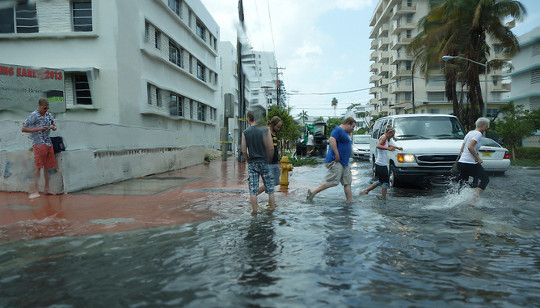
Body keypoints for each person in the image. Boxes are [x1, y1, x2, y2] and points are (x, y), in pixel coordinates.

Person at [306, 117, 356, 202]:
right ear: (348, 124)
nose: (353, 129)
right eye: (352, 126)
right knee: (333, 181)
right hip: (336, 160)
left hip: (344, 162)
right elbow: (332, 140)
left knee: (347, 182)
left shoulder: (345, 133)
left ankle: (349, 202)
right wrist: (337, 154)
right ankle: (313, 192)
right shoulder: (338, 130)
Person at [21, 98, 57, 199]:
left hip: (48, 142)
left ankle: (47, 189)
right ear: (39, 106)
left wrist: (53, 127)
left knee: (47, 167)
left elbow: (54, 124)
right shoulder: (33, 115)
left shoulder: (48, 114)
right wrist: (38, 129)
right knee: (38, 166)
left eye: (47, 108)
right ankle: (34, 190)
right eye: (44, 108)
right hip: (38, 143)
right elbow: (23, 128)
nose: (46, 110)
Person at [242, 111, 275, 215]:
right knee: (270, 188)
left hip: (252, 162)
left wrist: (248, 161)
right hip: (264, 161)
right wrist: (268, 160)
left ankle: (254, 212)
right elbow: (270, 148)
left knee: (253, 189)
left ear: (249, 119)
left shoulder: (245, 132)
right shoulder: (265, 130)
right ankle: (272, 211)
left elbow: (243, 151)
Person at [360, 125, 402, 200]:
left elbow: (386, 144)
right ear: (389, 133)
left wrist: (396, 147)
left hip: (380, 163)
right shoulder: (384, 137)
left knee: (380, 181)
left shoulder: (385, 138)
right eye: (392, 135)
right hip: (381, 163)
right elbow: (378, 146)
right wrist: (388, 149)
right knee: (386, 182)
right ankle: (383, 198)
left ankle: (366, 191)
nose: (392, 137)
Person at [456, 117, 490, 204]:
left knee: (463, 183)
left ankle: (457, 199)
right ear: (482, 125)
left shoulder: (469, 133)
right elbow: (470, 147)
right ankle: (474, 200)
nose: (487, 128)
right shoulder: (478, 134)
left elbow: (462, 148)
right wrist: (478, 158)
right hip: (469, 163)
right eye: (486, 126)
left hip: (462, 162)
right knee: (485, 179)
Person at [259, 116, 282, 194]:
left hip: (274, 162)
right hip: (269, 162)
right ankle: (254, 195)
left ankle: (269, 199)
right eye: (277, 127)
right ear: (273, 124)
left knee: (275, 181)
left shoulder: (273, 133)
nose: (278, 129)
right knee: (270, 182)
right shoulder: (267, 132)